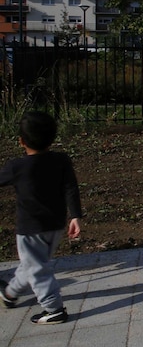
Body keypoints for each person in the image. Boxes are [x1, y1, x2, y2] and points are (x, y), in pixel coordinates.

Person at [0, 111, 83, 325]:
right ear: (53, 138)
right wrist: (75, 216)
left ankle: (53, 308)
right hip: (55, 226)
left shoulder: (16, 167)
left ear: (21, 141)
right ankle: (10, 293)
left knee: (37, 268)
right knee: (32, 263)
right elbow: (71, 188)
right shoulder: (61, 160)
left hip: (29, 229)